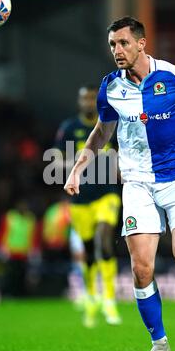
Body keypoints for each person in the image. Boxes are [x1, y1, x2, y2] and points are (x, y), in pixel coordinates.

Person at [64, 17, 175, 351]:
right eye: (112, 45)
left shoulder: (173, 76)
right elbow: (101, 132)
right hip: (137, 182)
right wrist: (78, 167)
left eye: (123, 43)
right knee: (141, 269)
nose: (117, 51)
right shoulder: (110, 88)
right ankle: (159, 346)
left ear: (141, 43)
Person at [55, 85, 122, 327]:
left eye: (92, 98)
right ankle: (92, 296)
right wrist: (81, 159)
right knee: (87, 251)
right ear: (79, 101)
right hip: (81, 199)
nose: (88, 102)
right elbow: (57, 160)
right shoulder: (70, 128)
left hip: (107, 195)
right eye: (84, 98)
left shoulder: (110, 125)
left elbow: (118, 155)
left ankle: (110, 300)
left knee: (104, 240)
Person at [0, 198, 38, 297]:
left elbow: (33, 235)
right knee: (10, 276)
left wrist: (34, 250)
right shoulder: (10, 217)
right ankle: (9, 294)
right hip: (11, 253)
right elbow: (2, 232)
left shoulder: (30, 218)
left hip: (24, 254)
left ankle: (21, 296)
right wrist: (1, 247)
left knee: (22, 277)